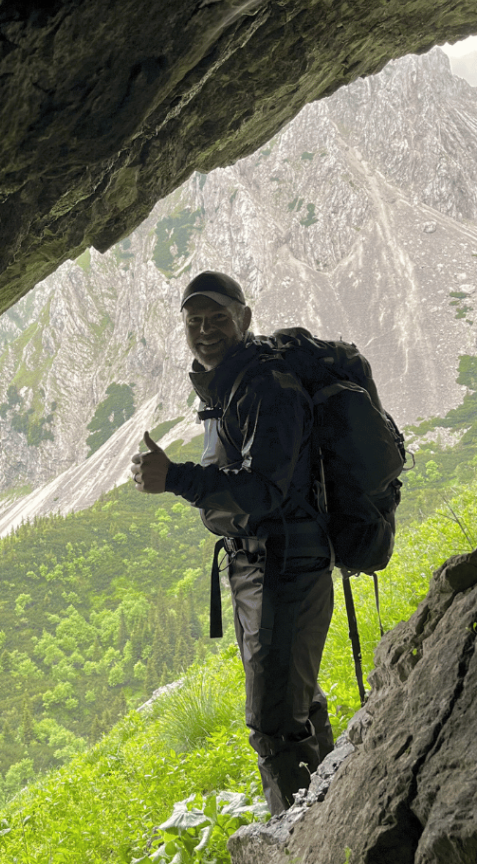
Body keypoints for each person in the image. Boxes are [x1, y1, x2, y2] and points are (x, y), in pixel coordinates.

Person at [130, 270, 334, 814]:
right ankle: (334, 815)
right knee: (297, 702)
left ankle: (301, 850)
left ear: (245, 319)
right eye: (194, 321)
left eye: (219, 317)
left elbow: (264, 489)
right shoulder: (232, 386)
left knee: (273, 723)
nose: (205, 329)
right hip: (265, 565)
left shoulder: (265, 386)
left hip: (282, 566)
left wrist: (175, 478)